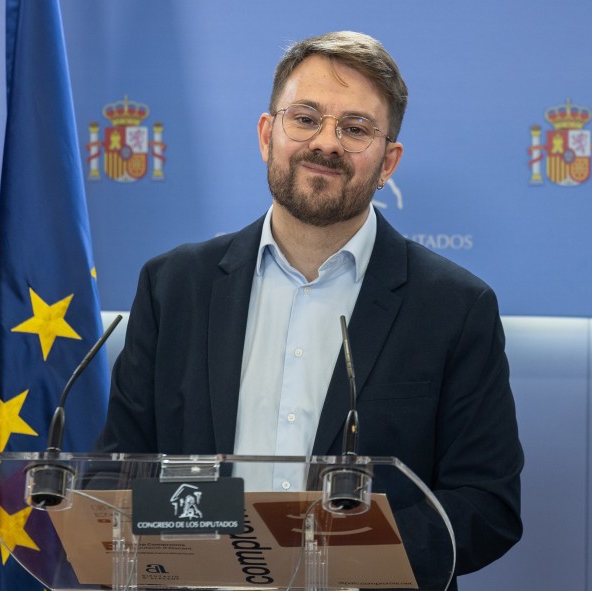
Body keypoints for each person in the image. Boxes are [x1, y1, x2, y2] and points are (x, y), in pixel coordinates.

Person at [96, 30, 522, 583]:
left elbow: (486, 506)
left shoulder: (456, 307)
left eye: (355, 128)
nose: (327, 142)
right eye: (305, 118)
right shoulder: (173, 286)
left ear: (388, 161)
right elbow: (118, 476)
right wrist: (206, 550)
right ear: (267, 134)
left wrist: (331, 557)